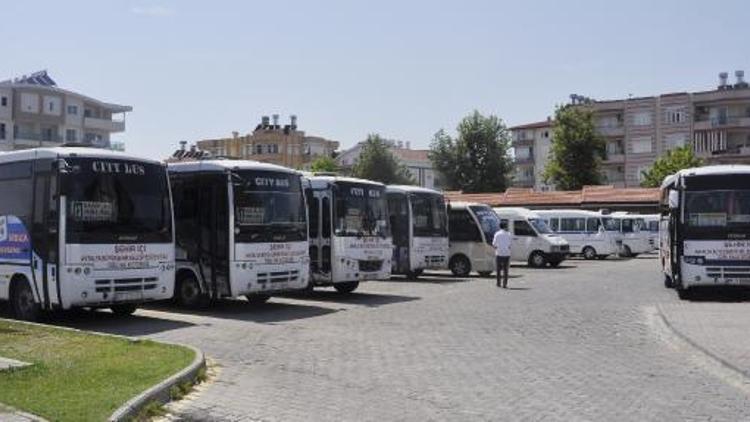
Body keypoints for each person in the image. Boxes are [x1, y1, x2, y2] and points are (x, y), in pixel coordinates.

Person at [492, 221, 512, 288]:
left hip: (499, 253)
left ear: (499, 226)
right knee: (505, 269)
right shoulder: (509, 234)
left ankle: (498, 283)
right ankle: (505, 284)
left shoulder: (497, 234)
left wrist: (497, 247)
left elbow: (494, 244)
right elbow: (510, 244)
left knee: (498, 269)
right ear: (505, 226)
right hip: (507, 253)